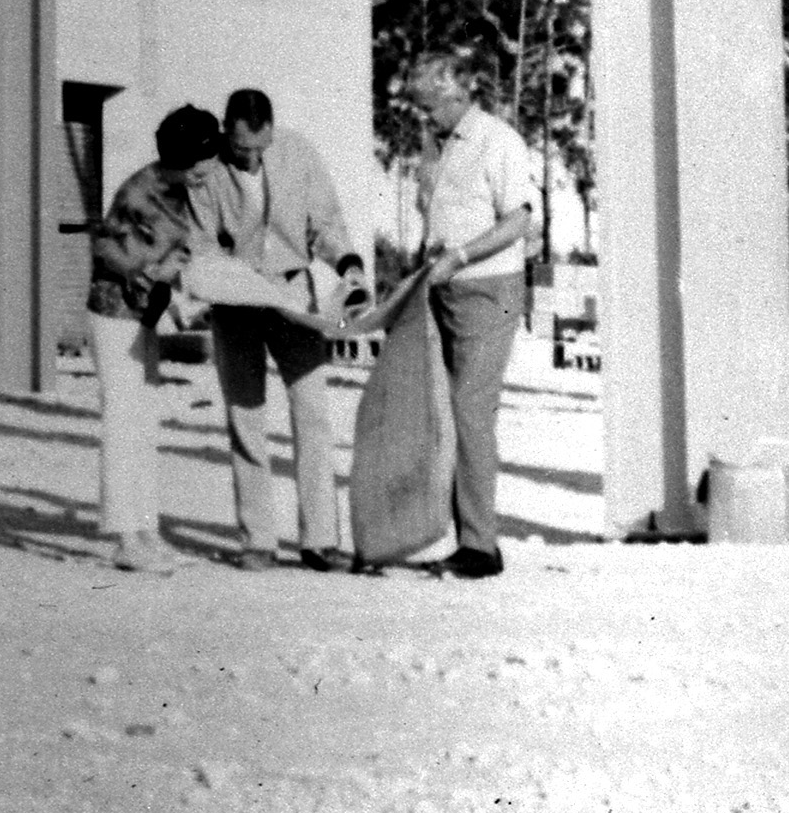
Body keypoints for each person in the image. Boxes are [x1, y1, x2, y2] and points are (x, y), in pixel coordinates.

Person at [85, 103, 352, 575]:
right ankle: (127, 537)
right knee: (126, 424)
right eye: (214, 161)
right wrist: (168, 278)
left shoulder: (182, 183)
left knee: (143, 423)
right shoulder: (152, 193)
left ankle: (144, 532)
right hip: (118, 316)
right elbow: (119, 252)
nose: (221, 170)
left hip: (143, 317)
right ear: (193, 160)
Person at [200, 87, 372, 570]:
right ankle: (257, 539)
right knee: (245, 415)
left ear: (272, 133)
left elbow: (327, 222)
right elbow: (201, 243)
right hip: (234, 297)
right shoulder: (208, 169)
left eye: (260, 149)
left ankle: (320, 540)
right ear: (225, 133)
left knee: (313, 412)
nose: (251, 160)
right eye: (240, 151)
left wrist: (349, 265)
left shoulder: (298, 153)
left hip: (294, 296)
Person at [410, 51, 538, 578]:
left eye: (430, 107)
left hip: (490, 290)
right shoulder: (434, 148)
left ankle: (481, 546)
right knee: (445, 413)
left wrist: (460, 256)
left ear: (458, 94)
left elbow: (520, 221)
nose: (424, 117)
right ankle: (458, 532)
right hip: (442, 290)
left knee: (470, 412)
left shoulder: (498, 140)